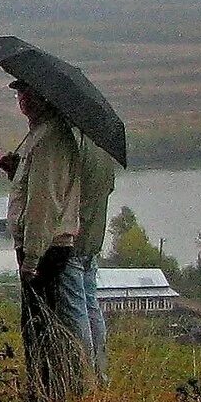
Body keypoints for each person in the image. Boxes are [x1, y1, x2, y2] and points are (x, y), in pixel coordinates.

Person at [4, 79, 85, 402]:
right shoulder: (41, 136)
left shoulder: (50, 139)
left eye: (31, 94)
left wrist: (32, 257)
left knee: (40, 325)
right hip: (45, 245)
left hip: (46, 248)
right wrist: (16, 169)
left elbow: (44, 204)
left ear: (46, 100)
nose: (23, 100)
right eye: (21, 94)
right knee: (37, 322)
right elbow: (34, 189)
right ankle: (43, 390)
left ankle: (47, 394)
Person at [67, 135, 120, 385]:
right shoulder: (103, 148)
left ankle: (85, 373)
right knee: (91, 307)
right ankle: (100, 371)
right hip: (93, 240)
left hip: (74, 239)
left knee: (77, 311)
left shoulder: (74, 145)